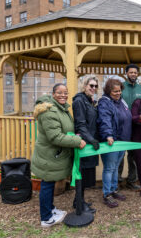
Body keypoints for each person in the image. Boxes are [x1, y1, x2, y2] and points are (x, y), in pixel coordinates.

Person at [31, 83, 86, 227]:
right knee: (47, 185)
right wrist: (77, 140)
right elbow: (55, 137)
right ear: (53, 94)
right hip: (48, 156)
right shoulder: (49, 111)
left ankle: (50, 209)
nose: (63, 95)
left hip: (52, 155)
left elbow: (64, 129)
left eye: (65, 92)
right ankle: (46, 218)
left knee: (49, 183)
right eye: (60, 93)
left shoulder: (60, 108)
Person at [97, 78, 132, 208]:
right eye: (115, 91)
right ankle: (107, 194)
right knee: (109, 168)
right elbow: (104, 119)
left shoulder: (121, 101)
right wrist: (108, 134)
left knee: (116, 167)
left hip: (122, 141)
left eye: (119, 91)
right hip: (112, 141)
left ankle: (114, 189)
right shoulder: (104, 103)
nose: (118, 93)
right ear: (108, 91)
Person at [72, 77, 100, 214]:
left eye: (96, 86)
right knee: (81, 174)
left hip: (91, 143)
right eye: (91, 85)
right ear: (84, 86)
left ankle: (79, 200)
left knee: (86, 175)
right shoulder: (79, 101)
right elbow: (80, 125)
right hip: (84, 144)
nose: (93, 88)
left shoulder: (91, 101)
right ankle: (79, 203)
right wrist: (91, 140)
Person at [119, 63, 141, 190]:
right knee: (119, 154)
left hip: (136, 127)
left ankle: (132, 180)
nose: (133, 74)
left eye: (135, 72)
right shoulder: (120, 88)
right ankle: (117, 181)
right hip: (122, 127)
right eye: (131, 72)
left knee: (133, 155)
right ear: (126, 73)